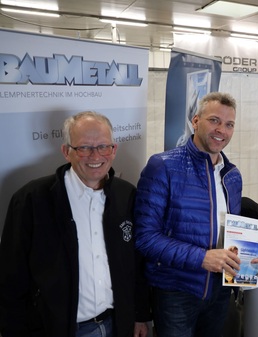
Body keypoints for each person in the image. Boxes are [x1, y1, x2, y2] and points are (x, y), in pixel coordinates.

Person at [0, 111, 151, 337]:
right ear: (66, 152)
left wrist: (140, 314)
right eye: (84, 148)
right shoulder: (32, 199)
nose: (95, 155)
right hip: (58, 329)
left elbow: (136, 263)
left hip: (117, 324)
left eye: (103, 146)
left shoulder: (126, 194)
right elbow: (11, 275)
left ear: (114, 150)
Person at [134, 92, 258, 337]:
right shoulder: (163, 166)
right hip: (177, 291)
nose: (222, 130)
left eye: (229, 125)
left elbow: (231, 230)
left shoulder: (232, 175)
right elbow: (145, 238)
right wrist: (202, 258)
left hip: (220, 291)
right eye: (214, 120)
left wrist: (255, 249)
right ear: (195, 121)